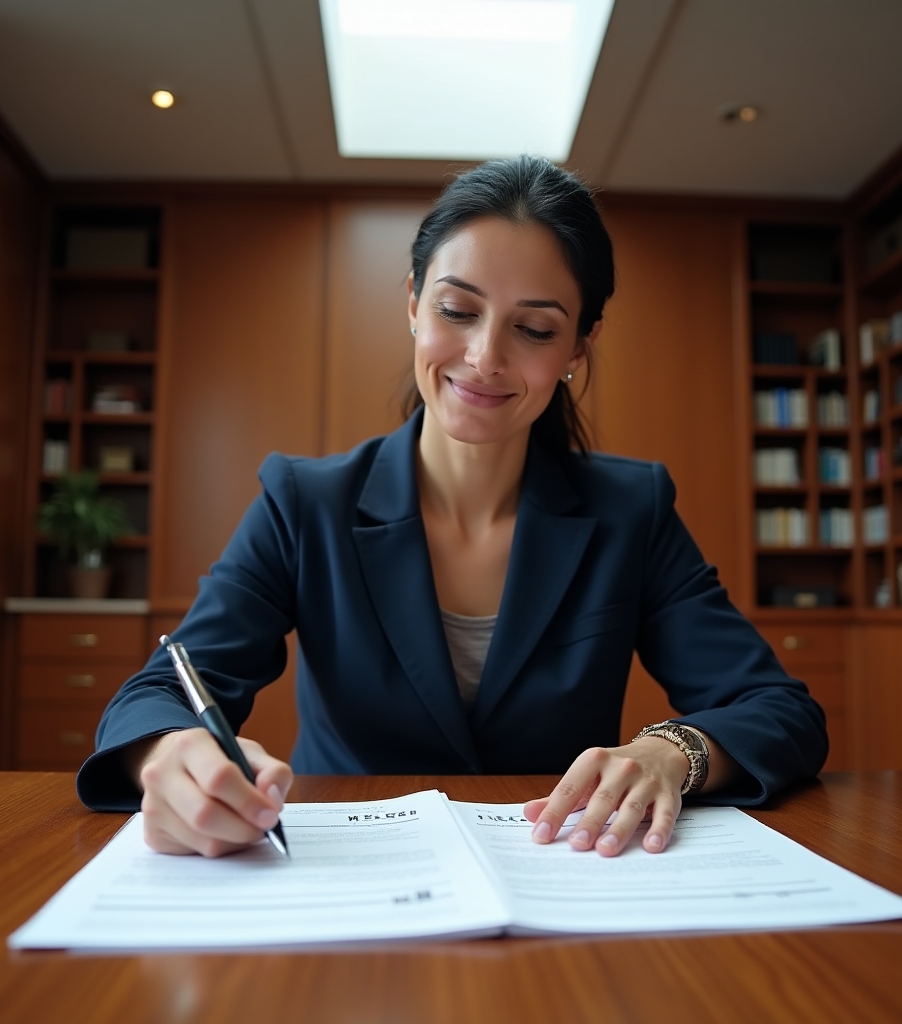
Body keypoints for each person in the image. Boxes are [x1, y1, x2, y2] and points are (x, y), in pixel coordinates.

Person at [77, 156, 827, 859]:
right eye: (457, 310)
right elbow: (161, 693)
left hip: (560, 872)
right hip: (357, 878)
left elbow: (776, 709)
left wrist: (674, 752)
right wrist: (170, 756)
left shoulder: (633, 510)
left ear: (578, 347)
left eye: (533, 329)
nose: (484, 357)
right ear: (412, 304)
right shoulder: (304, 502)